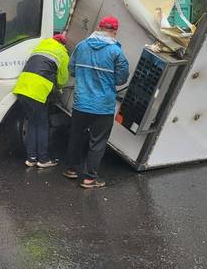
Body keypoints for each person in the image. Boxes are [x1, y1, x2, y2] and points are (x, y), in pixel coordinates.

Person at [63, 15, 130, 188]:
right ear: (115, 31)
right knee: (97, 142)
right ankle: (89, 178)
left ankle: (71, 169)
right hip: (103, 106)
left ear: (99, 28)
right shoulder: (116, 52)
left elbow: (71, 69)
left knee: (76, 137)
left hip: (81, 103)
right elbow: (121, 78)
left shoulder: (81, 46)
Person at [12, 34, 70, 168]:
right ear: (63, 44)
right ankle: (43, 159)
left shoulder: (40, 47)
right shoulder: (62, 52)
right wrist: (59, 87)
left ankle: (31, 158)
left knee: (33, 123)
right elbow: (62, 79)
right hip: (37, 92)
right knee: (42, 125)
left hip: (22, 89)